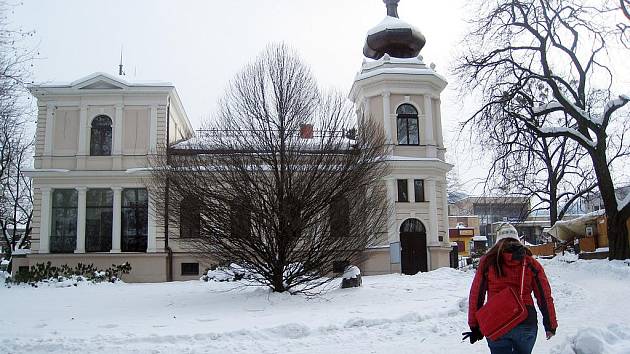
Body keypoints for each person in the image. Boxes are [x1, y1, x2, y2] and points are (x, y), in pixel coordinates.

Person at [463, 224, 558, 354]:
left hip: (496, 321)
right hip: (525, 321)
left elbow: (476, 295)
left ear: (498, 240)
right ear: (517, 239)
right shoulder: (530, 263)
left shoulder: (488, 262)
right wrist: (550, 325)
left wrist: (475, 326)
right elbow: (544, 296)